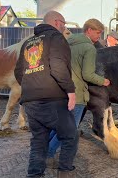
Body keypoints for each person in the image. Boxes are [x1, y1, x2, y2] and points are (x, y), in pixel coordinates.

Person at [14, 11, 78, 177]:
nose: (65, 27)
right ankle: (64, 174)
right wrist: (70, 91)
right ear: (57, 22)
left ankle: (34, 174)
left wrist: (31, 87)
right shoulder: (56, 38)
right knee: (70, 136)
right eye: (63, 23)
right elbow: (58, 67)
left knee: (39, 141)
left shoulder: (28, 42)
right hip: (53, 99)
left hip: (30, 102)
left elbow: (18, 71)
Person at [47, 18, 111, 164]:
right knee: (69, 129)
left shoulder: (67, 43)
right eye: (97, 33)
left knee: (59, 125)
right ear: (88, 30)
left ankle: (43, 149)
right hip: (76, 95)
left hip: (60, 91)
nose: (99, 37)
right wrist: (103, 81)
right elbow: (87, 75)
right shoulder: (89, 48)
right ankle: (48, 153)